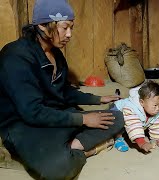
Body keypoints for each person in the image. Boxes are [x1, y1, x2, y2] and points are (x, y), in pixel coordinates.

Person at [0, 0, 124, 179]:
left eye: (71, 28)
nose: (69, 34)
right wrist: (83, 119)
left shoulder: (56, 55)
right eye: (65, 27)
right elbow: (32, 112)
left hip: (53, 116)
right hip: (23, 126)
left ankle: (72, 146)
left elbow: (64, 92)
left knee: (118, 117)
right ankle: (80, 151)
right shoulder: (16, 56)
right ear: (43, 25)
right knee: (57, 171)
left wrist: (96, 100)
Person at [113, 81, 159, 153]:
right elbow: (134, 125)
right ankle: (118, 138)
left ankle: (129, 134)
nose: (158, 108)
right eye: (155, 105)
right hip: (116, 111)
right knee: (119, 122)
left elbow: (158, 126)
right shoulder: (132, 109)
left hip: (133, 119)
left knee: (154, 120)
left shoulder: (158, 112)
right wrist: (141, 142)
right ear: (142, 102)